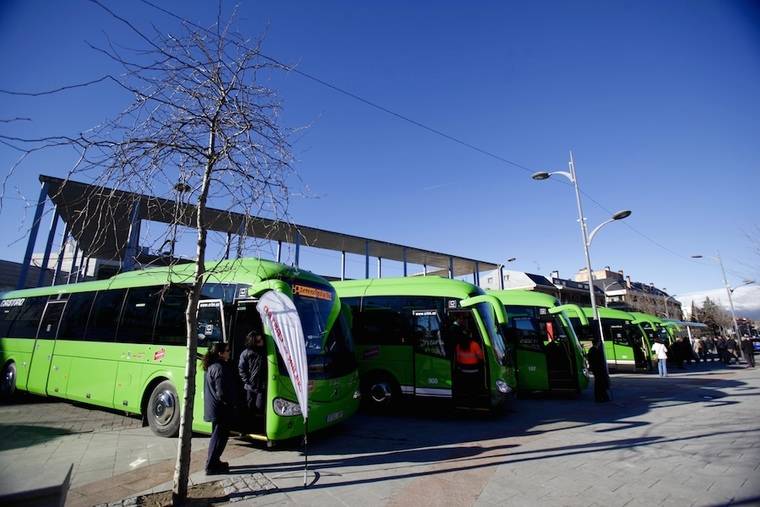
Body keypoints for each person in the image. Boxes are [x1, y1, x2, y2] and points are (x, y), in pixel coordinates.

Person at [203, 342, 237, 474]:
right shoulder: (219, 368)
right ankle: (211, 465)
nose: (229, 352)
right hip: (221, 409)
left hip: (216, 408)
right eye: (227, 350)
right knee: (219, 437)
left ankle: (215, 461)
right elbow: (221, 392)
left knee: (218, 436)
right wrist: (231, 403)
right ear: (220, 353)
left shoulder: (214, 366)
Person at [238, 331, 267, 426]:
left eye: (261, 339)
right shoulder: (246, 354)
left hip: (261, 386)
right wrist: (248, 381)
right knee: (249, 407)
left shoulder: (265, 352)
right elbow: (241, 369)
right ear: (253, 342)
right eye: (258, 341)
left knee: (260, 406)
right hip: (250, 386)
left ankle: (258, 425)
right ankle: (248, 426)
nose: (261, 342)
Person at [453, 319, 485, 397]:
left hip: (463, 371)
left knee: (466, 387)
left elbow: (457, 359)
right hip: (474, 371)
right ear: (470, 335)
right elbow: (481, 357)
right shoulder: (474, 345)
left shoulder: (458, 346)